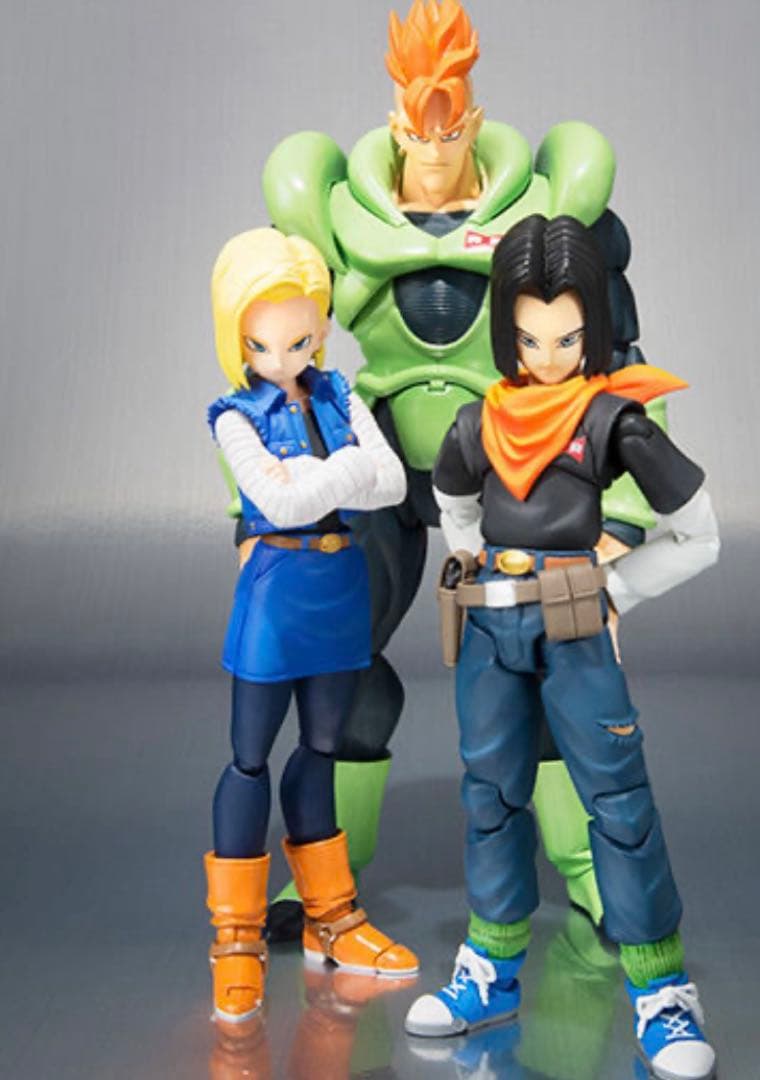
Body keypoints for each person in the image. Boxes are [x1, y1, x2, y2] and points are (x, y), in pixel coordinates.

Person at [261, 0, 663, 940]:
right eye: (418, 123)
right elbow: (273, 362)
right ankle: (324, 881)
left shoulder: (549, 216)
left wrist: (627, 512)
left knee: (554, 657)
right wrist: (259, 504)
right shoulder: (336, 220)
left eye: (450, 123)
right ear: (394, 121)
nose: (435, 143)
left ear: (475, 119)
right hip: (379, 465)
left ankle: (584, 866)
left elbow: (617, 361)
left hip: (514, 463)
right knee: (339, 662)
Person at [405, 215, 720, 1080]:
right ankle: (489, 968)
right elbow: (452, 502)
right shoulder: (479, 421)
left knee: (616, 802)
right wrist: (468, 561)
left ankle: (660, 990)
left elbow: (699, 534)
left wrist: (615, 589)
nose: (547, 357)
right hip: (490, 630)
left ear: (594, 331)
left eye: (567, 338)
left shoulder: (612, 420)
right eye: (530, 337)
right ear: (506, 331)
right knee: (490, 797)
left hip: (576, 623)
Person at [203, 228, 417, 1025]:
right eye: (262, 344)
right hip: (276, 591)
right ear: (237, 339)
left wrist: (316, 476)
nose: (283, 357)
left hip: (338, 583)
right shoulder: (234, 414)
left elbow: (390, 486)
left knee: (323, 746)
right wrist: (344, 472)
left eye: (298, 340)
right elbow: (279, 502)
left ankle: (331, 914)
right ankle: (236, 932)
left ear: (321, 327)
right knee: (249, 758)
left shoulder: (338, 394)